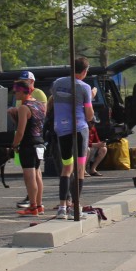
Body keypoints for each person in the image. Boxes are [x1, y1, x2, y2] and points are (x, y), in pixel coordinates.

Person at [49, 57, 95, 219]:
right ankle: (75, 206)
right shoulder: (84, 87)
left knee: (67, 167)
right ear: (84, 71)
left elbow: (52, 101)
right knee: (80, 168)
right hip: (79, 129)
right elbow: (89, 115)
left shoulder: (57, 83)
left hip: (62, 129)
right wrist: (91, 97)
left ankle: (62, 207)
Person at [11, 80, 46, 216]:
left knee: (29, 176)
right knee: (37, 174)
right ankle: (39, 204)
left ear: (22, 91)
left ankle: (32, 206)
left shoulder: (24, 108)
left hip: (28, 144)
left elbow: (20, 131)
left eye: (16, 91)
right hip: (40, 142)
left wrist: (15, 144)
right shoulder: (39, 104)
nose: (15, 94)